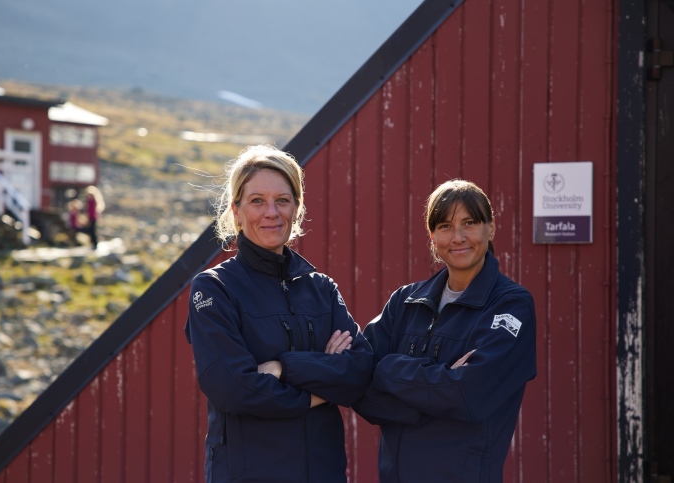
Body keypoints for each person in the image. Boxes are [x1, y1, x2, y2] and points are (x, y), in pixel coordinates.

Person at [184, 144, 373, 483]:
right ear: (236, 212)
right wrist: (321, 390)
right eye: (257, 201)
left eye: (283, 200)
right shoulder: (214, 289)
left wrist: (283, 368)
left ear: (297, 210)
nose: (271, 212)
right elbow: (234, 389)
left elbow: (359, 371)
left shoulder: (322, 288)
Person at [353, 179, 537, 482]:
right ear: (433, 236)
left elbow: (470, 394)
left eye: (470, 223)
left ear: (490, 229)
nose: (459, 237)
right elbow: (359, 381)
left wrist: (386, 368)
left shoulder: (510, 306)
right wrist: (436, 394)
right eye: (446, 226)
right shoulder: (405, 302)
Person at [84, 185, 104, 249]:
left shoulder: (93, 201)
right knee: (90, 231)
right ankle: (92, 243)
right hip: (91, 218)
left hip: (93, 218)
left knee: (92, 231)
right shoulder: (89, 201)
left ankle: (95, 244)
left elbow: (93, 211)